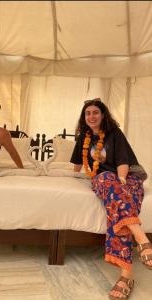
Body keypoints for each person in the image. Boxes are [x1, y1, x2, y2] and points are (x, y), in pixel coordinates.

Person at [70, 98, 152, 300]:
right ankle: (142, 239)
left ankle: (126, 276)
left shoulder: (115, 134)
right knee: (107, 179)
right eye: (87, 113)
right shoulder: (83, 138)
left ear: (103, 115)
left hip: (127, 175)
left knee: (118, 201)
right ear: (84, 117)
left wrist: (121, 180)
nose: (91, 116)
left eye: (95, 112)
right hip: (104, 178)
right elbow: (76, 166)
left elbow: (123, 162)